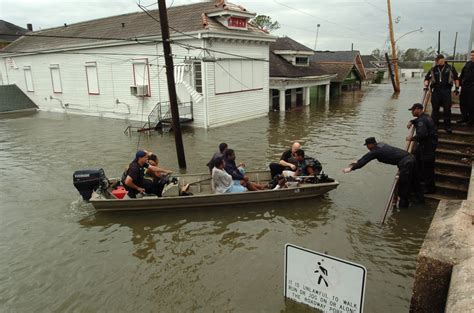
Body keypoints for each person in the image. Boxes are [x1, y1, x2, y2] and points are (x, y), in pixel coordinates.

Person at [342, 137, 417, 208]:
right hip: (410, 158)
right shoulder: (381, 144)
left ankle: (403, 209)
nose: (367, 147)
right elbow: (366, 157)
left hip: (406, 163)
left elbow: (365, 160)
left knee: (403, 187)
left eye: (367, 145)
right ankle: (417, 202)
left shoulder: (376, 151)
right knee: (413, 182)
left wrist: (351, 169)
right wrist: (358, 161)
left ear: (371, 144)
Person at [424, 54, 460, 133]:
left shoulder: (450, 68)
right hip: (436, 91)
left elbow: (456, 78)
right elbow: (426, 78)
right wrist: (426, 85)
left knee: (447, 109)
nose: (436, 61)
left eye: (438, 60)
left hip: (446, 91)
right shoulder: (433, 69)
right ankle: (435, 126)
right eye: (436, 60)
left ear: (443, 59)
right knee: (435, 109)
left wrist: (457, 88)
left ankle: (447, 126)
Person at [407, 103, 438, 194]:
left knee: (428, 168)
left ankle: (430, 189)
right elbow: (418, 121)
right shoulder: (425, 117)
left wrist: (411, 138)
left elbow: (422, 134)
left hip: (427, 147)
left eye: (413, 110)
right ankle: (421, 184)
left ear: (419, 109)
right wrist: (411, 121)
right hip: (429, 145)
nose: (412, 112)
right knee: (420, 164)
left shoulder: (422, 121)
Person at [458, 50, 474, 126]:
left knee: (471, 104)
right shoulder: (467, 64)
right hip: (465, 87)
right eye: (471, 55)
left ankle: (470, 121)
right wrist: (459, 84)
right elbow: (462, 74)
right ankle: (464, 118)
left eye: (473, 55)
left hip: (472, 87)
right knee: (462, 103)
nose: (472, 57)